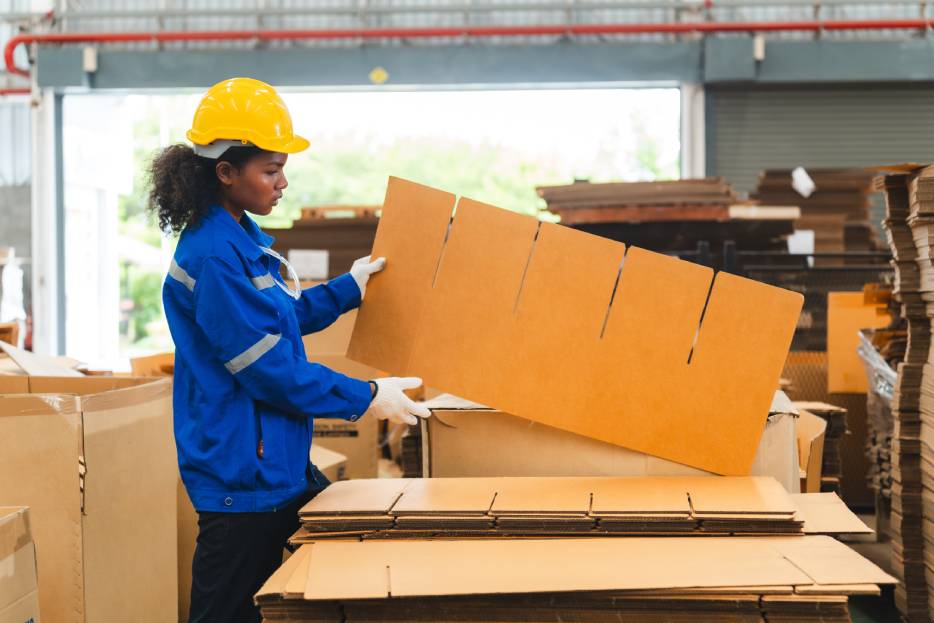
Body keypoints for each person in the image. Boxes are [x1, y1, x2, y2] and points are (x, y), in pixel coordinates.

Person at [148, 77, 431, 623]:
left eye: (283, 168)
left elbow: (280, 320)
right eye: (270, 170)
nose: (282, 182)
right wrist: (366, 395)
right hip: (242, 478)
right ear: (226, 172)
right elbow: (270, 372)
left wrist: (349, 288)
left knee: (327, 574)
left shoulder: (239, 238)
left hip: (272, 463)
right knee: (226, 613)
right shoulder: (215, 257)